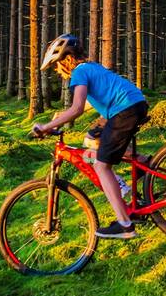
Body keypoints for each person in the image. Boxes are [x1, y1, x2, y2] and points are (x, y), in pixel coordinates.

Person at [35, 34, 149, 239]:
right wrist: (59, 119)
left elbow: (77, 108)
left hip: (124, 111)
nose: (57, 71)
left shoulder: (79, 72)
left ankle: (125, 225)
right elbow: (91, 102)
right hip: (133, 105)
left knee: (100, 165)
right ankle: (142, 166)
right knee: (91, 146)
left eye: (56, 66)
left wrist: (45, 127)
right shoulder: (91, 67)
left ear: (65, 60)